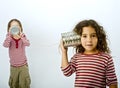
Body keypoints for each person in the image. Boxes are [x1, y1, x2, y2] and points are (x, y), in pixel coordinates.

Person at [60, 19, 118, 88]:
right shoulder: (77, 57)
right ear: (78, 38)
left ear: (98, 37)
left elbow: (112, 82)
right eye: (84, 36)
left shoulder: (106, 58)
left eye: (93, 36)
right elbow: (67, 72)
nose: (89, 40)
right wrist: (64, 52)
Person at [3, 19, 31, 88]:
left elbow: (27, 44)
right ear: (9, 29)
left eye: (17, 26)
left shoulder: (23, 36)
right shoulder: (8, 37)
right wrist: (9, 36)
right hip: (13, 66)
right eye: (12, 26)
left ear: (20, 28)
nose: (14, 27)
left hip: (23, 65)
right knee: (14, 83)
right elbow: (5, 45)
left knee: (24, 83)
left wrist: (21, 37)